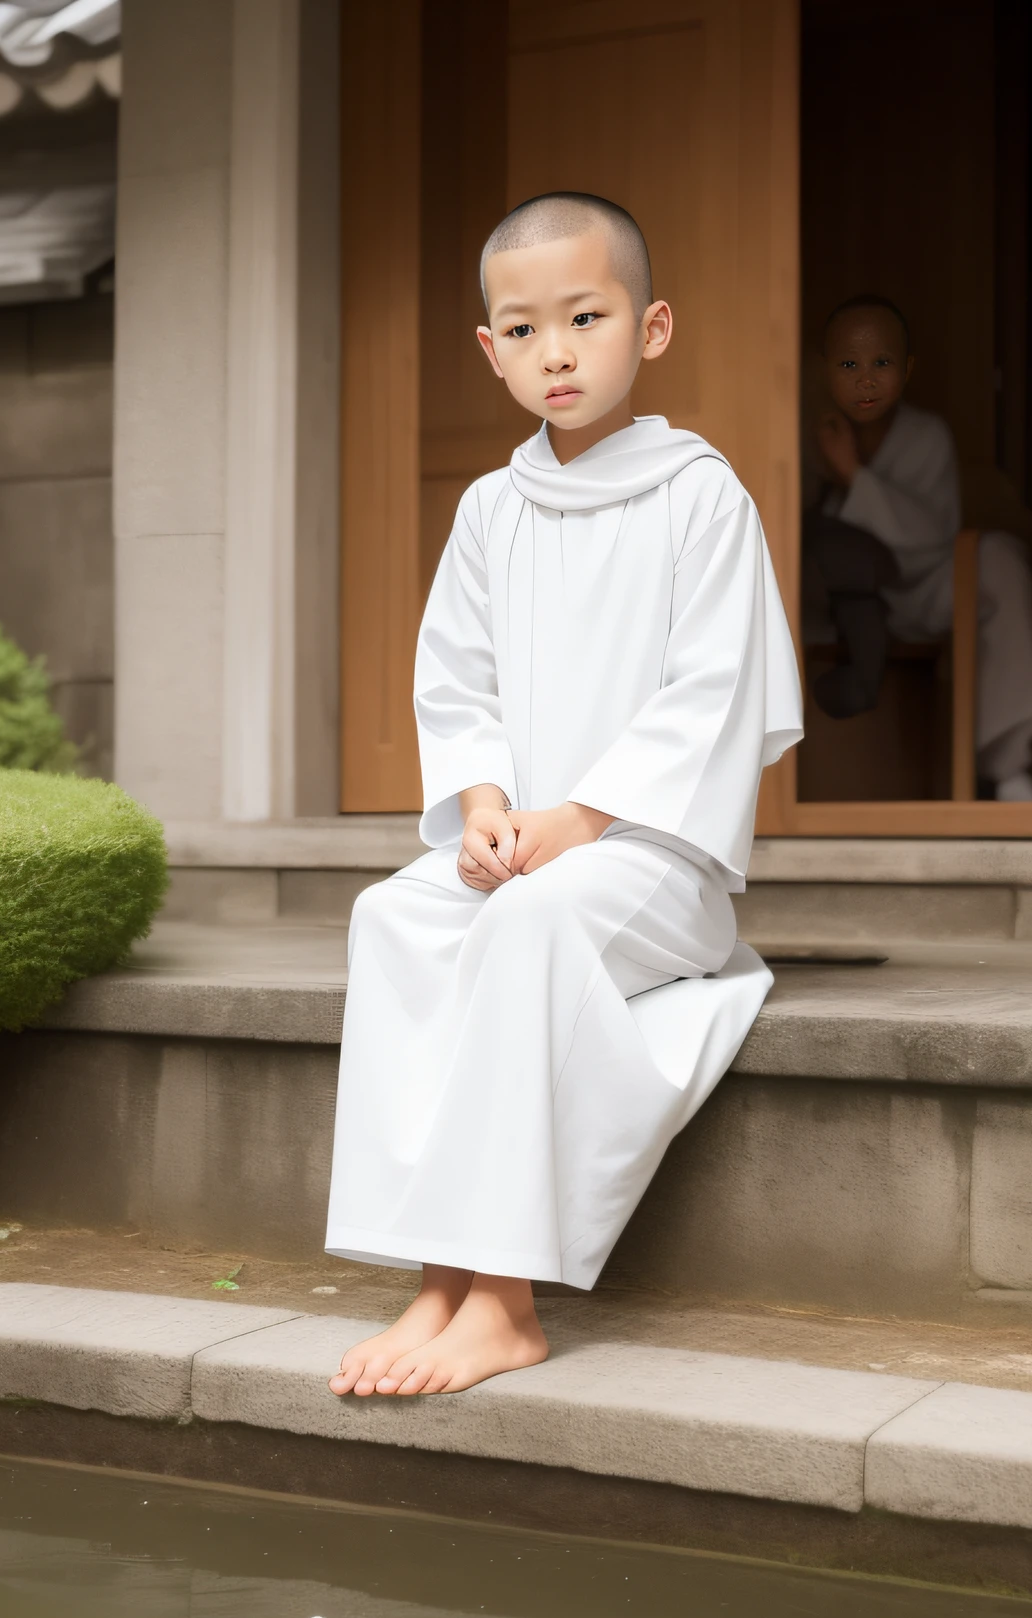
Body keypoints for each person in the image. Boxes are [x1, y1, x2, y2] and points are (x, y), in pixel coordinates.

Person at [324, 192, 803, 1397]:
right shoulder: (492, 511)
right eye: (525, 329)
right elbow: (458, 683)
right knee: (396, 918)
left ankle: (506, 1301)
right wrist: (486, 806)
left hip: (652, 865)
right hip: (526, 848)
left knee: (530, 924)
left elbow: (712, 697)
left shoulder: (701, 496)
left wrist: (577, 822)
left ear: (649, 330)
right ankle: (436, 1274)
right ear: (491, 350)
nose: (557, 351)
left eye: (585, 318)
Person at [802, 295, 1032, 801]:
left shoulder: (926, 435)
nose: (866, 379)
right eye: (848, 364)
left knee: (999, 559)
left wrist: (854, 476)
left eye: (882, 363)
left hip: (923, 590)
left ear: (908, 369)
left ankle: (1008, 769)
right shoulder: (805, 434)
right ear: (823, 368)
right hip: (832, 600)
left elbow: (933, 536)